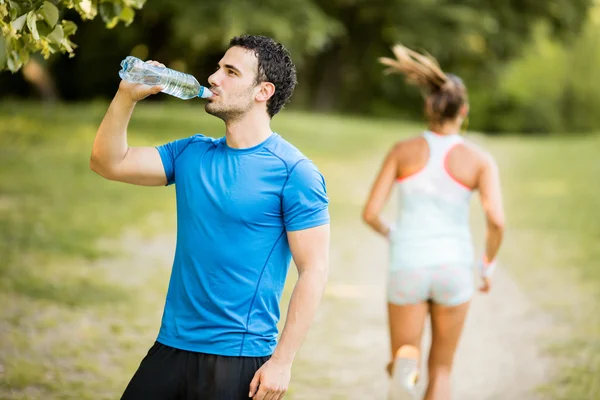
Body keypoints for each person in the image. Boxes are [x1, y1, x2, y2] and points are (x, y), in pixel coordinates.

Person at [90, 34, 330, 400]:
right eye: (218, 68)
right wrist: (126, 96)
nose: (214, 78)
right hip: (171, 346)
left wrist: (282, 361)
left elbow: (313, 269)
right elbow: (107, 162)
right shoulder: (190, 153)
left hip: (239, 360)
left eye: (230, 72)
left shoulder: (294, 172)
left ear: (263, 91)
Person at [362, 44, 505, 400]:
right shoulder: (479, 160)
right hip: (453, 266)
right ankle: (408, 374)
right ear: (464, 111)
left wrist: (394, 233)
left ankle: (402, 371)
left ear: (429, 107)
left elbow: (370, 213)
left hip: (408, 261)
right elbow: (497, 220)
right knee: (441, 370)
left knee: (404, 360)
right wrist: (486, 264)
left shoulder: (403, 150)